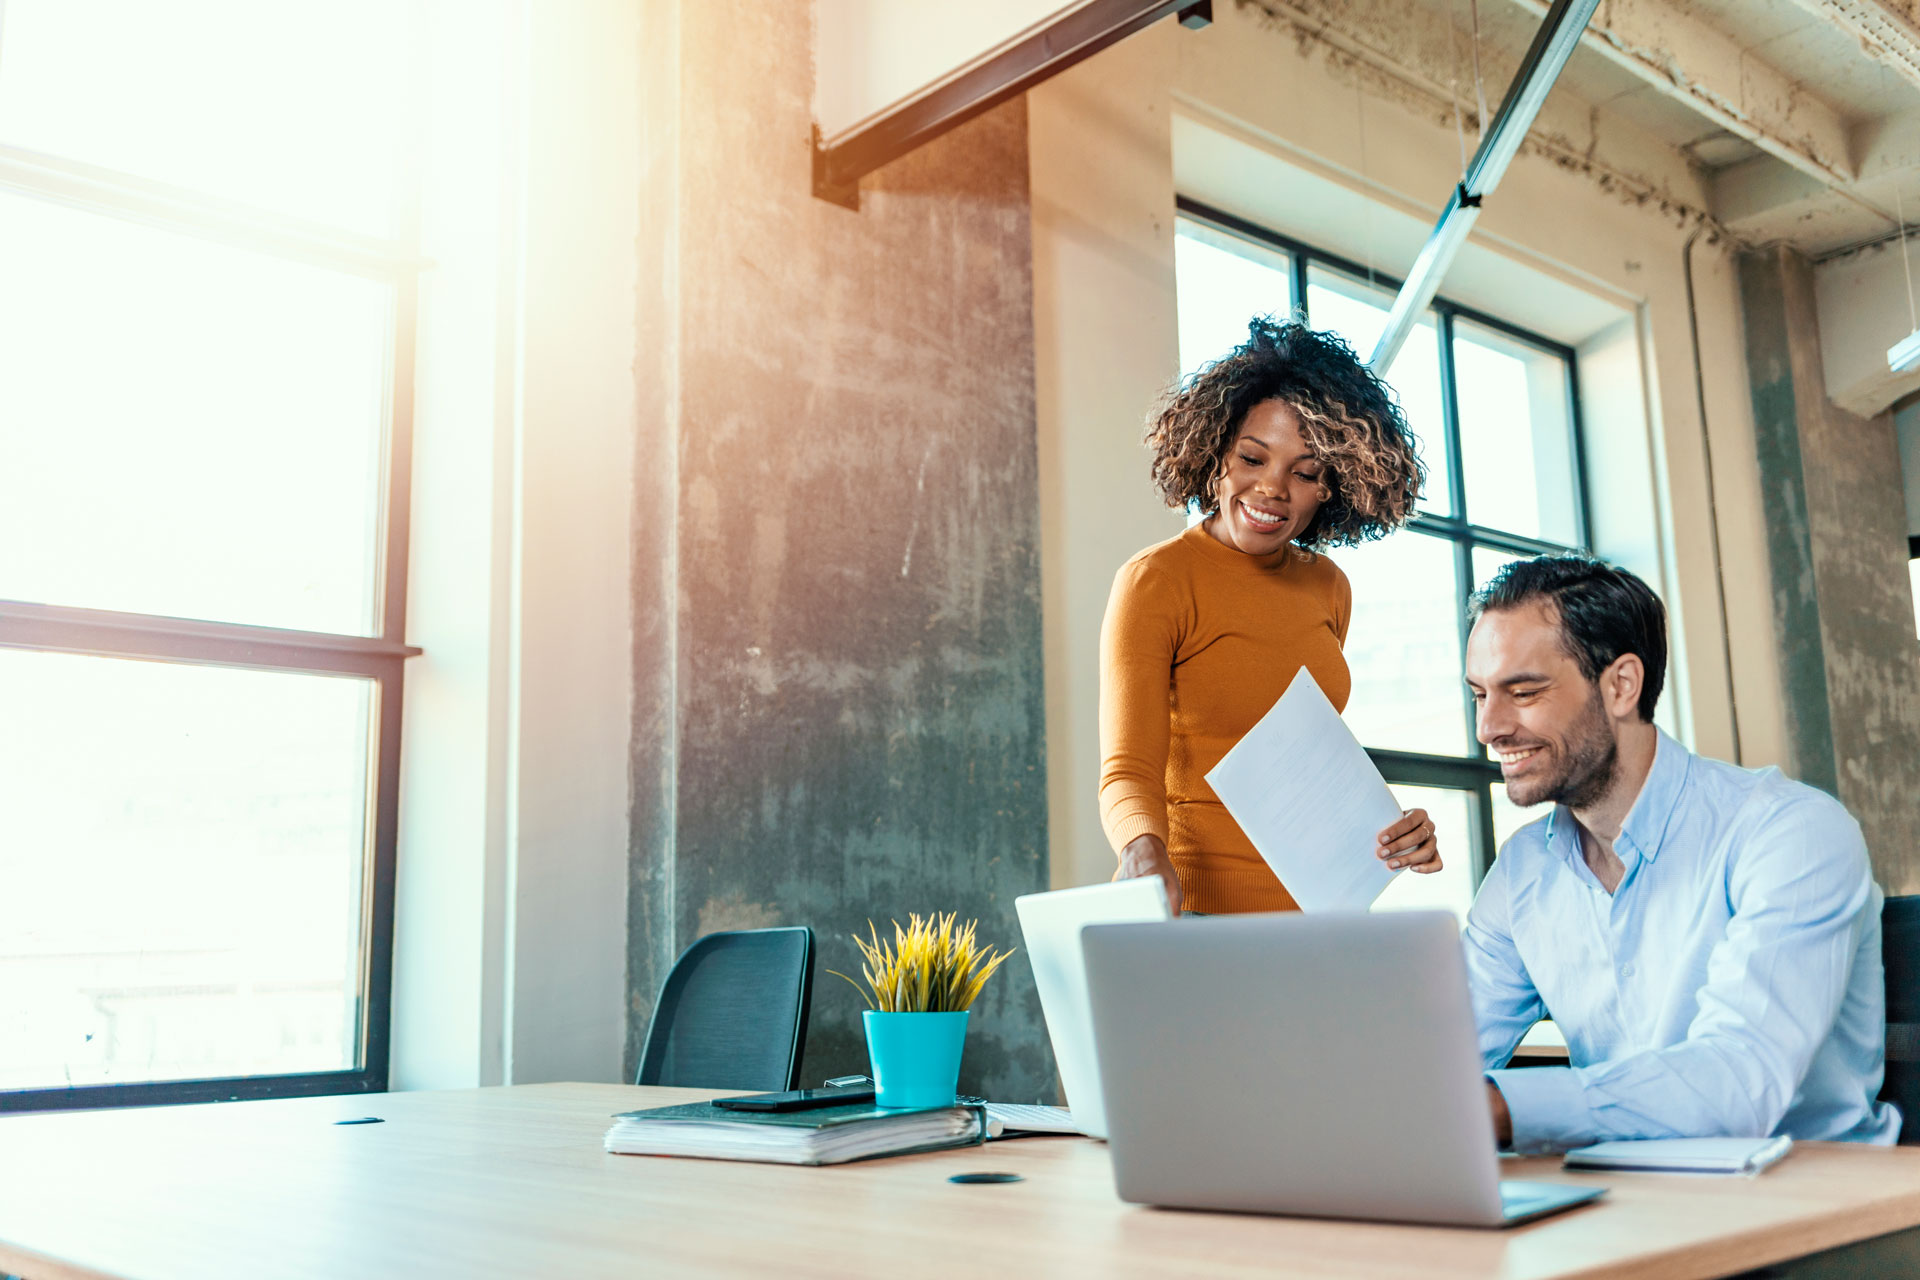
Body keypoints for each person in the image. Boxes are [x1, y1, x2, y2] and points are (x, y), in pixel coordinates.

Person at [1464, 555, 1899, 1151]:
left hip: (1816, 1191)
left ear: (1621, 685)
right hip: (1628, 1187)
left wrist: (1500, 1108)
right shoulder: (1522, 871)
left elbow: (1740, 1083)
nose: (1489, 728)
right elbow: (1442, 1054)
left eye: (1523, 691)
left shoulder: (1790, 833)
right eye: (1479, 695)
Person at [1100, 317, 1441, 915]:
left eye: (1304, 473)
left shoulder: (1328, 588)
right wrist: (1141, 850)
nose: (1271, 489)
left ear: (1331, 487)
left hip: (1319, 915)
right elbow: (1127, 769)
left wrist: (1394, 830)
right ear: (1215, 454)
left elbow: (1305, 761)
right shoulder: (1157, 580)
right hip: (1195, 911)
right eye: (1252, 459)